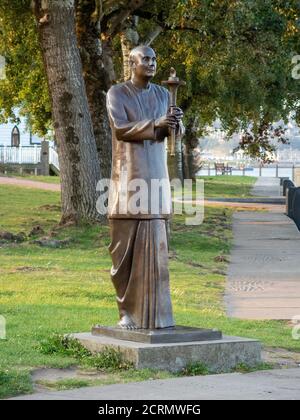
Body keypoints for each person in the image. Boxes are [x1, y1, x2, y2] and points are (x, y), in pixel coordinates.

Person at [106, 45, 184, 329]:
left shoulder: (164, 95)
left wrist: (175, 123)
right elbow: (120, 128)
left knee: (158, 252)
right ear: (132, 63)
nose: (151, 63)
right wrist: (157, 122)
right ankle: (127, 312)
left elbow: (169, 133)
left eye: (154, 59)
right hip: (127, 181)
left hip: (156, 179)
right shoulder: (117, 93)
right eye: (145, 59)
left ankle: (159, 316)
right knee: (122, 255)